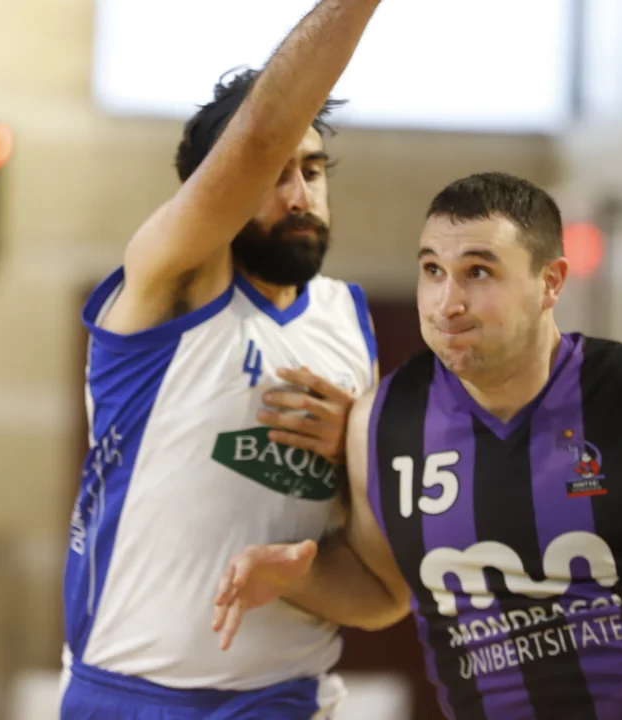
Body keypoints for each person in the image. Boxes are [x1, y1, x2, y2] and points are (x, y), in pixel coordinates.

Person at [213, 172, 622, 720]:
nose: (448, 302)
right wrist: (298, 578)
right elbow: (383, 592)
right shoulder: (382, 421)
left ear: (550, 282)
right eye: (432, 271)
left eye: (478, 272)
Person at [58, 1, 385, 718]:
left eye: (313, 171)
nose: (300, 196)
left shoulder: (349, 322)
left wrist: (357, 448)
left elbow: (381, 593)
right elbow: (258, 134)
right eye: (275, 175)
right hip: (129, 695)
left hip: (287, 697)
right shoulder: (168, 282)